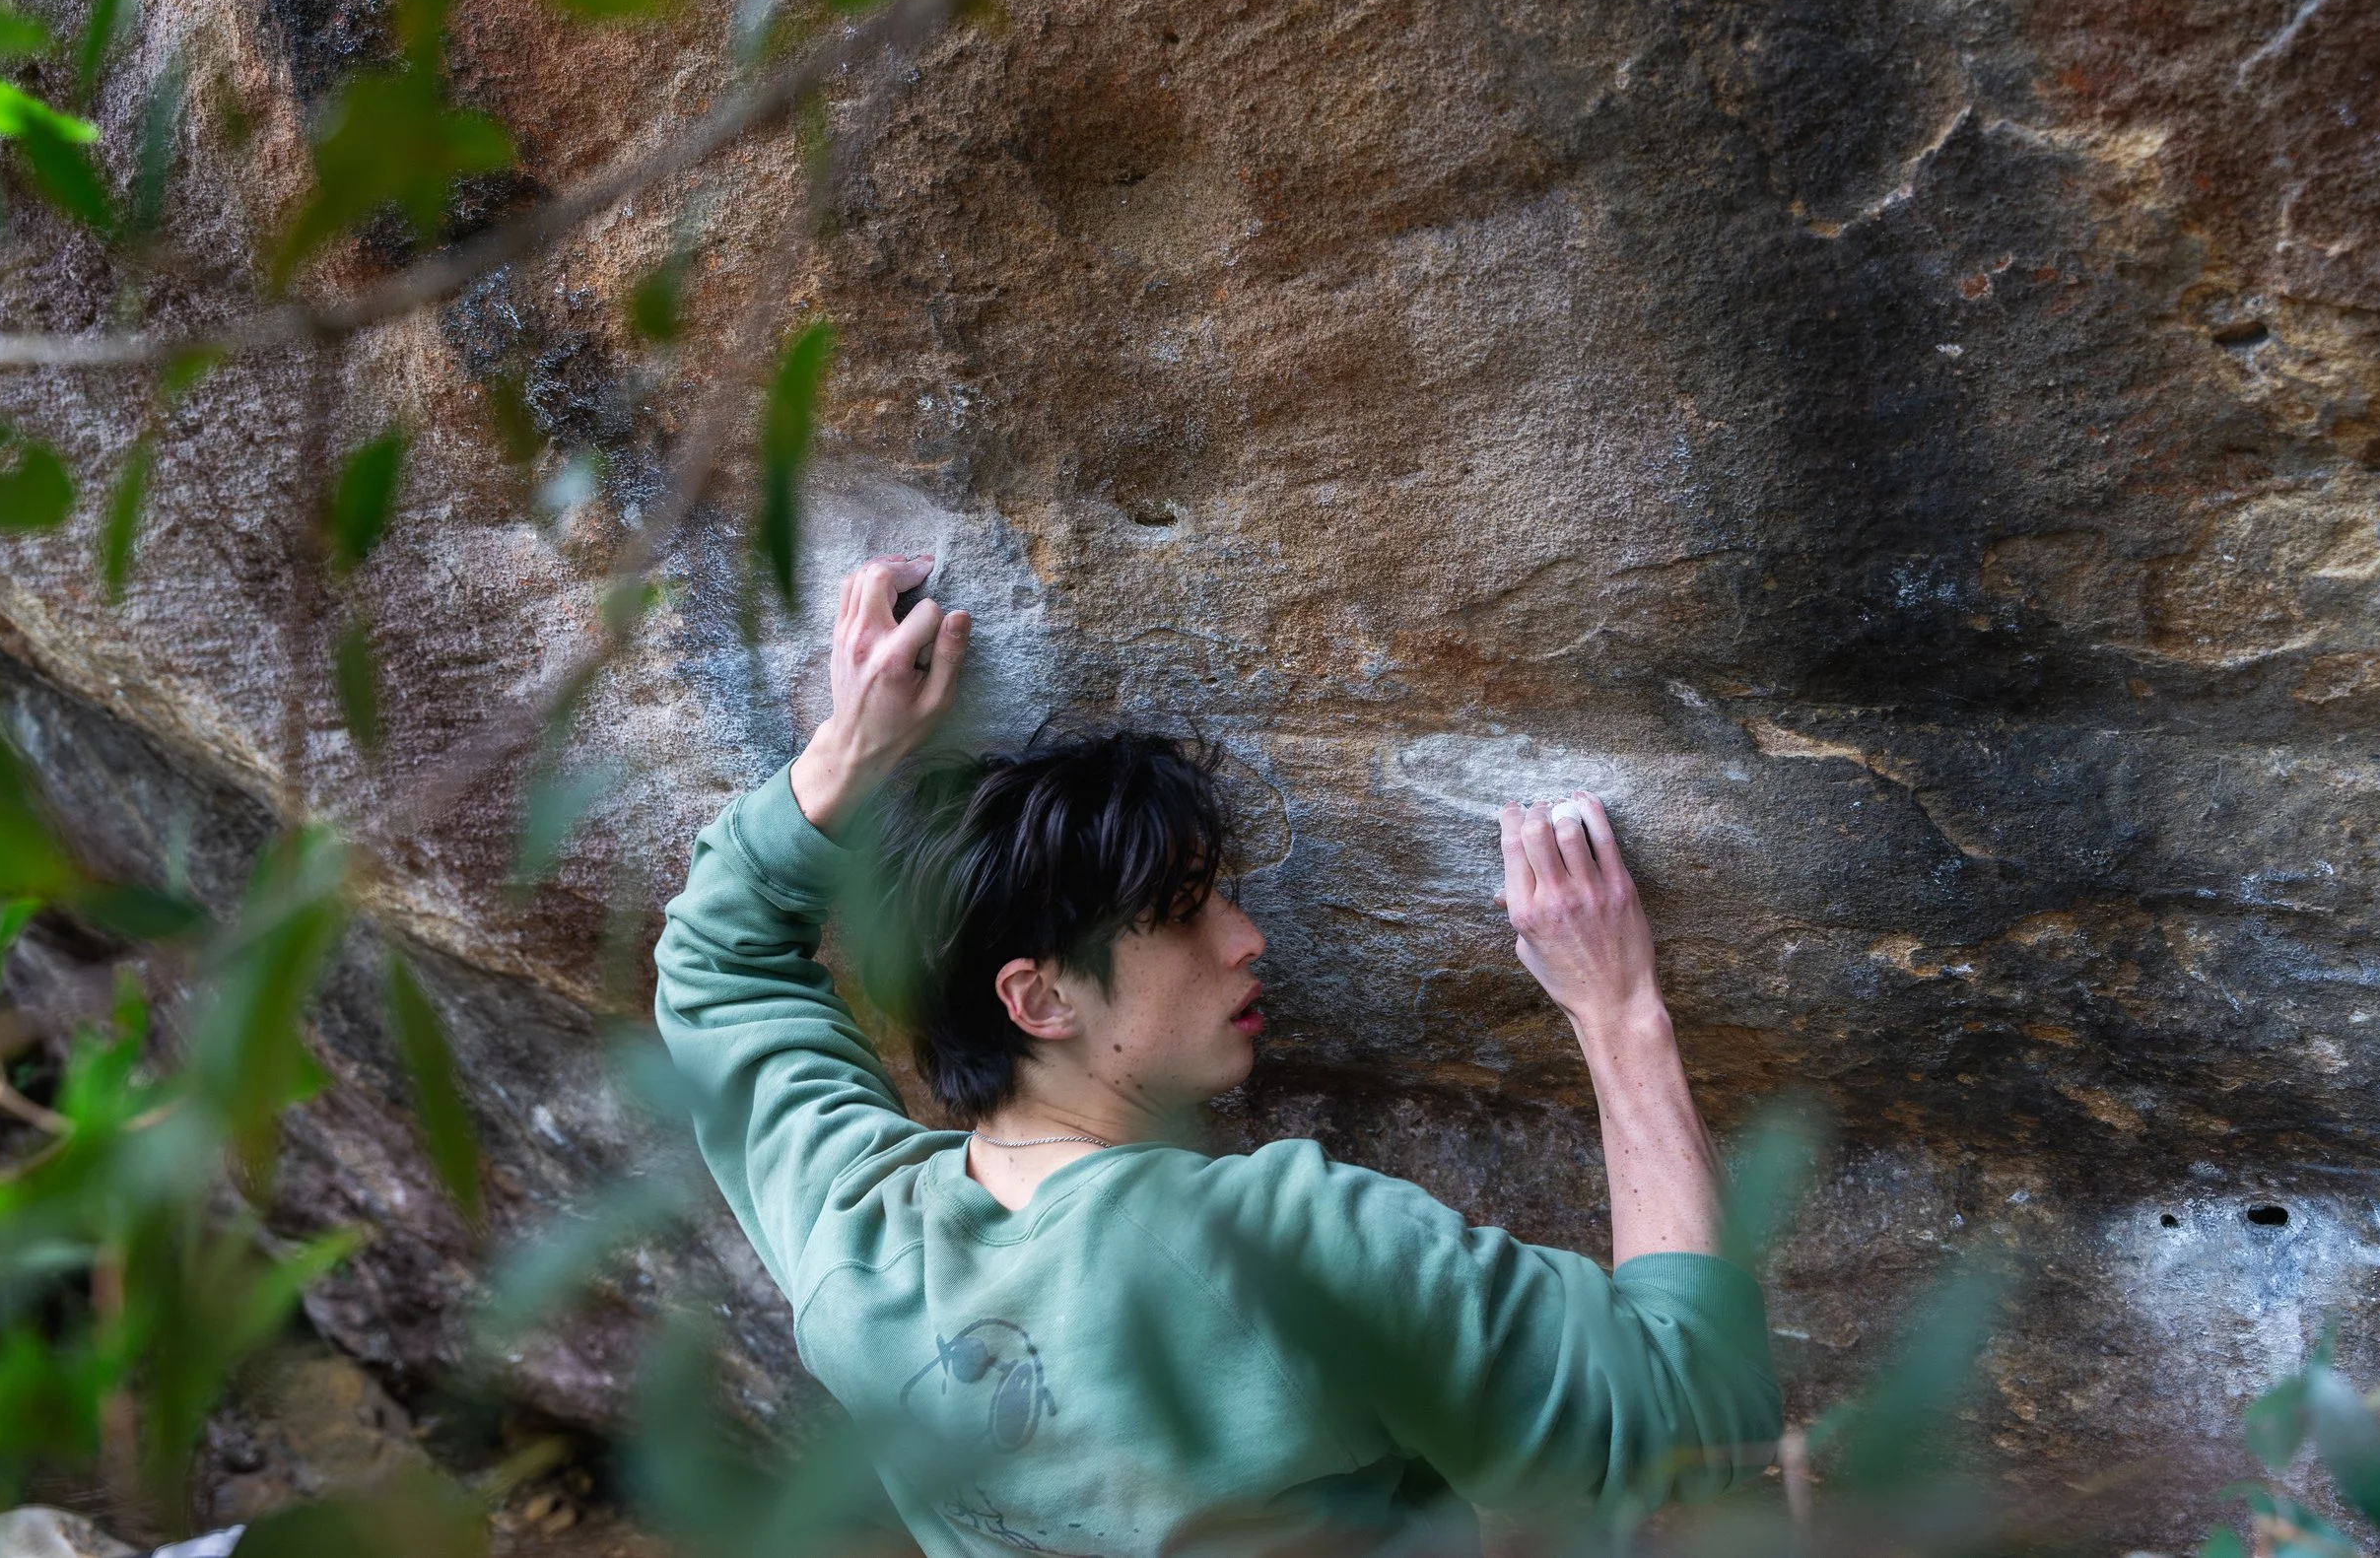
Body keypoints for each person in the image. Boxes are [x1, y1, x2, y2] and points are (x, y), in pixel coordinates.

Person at [654, 554, 1782, 1556]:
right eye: (1185, 909)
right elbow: (1693, 1413)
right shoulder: (1283, 1254)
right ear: (1038, 995)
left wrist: (847, 750)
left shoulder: (850, 1241)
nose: (1247, 936)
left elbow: (715, 965)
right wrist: (1619, 1008)